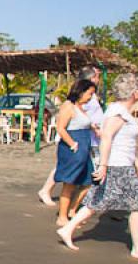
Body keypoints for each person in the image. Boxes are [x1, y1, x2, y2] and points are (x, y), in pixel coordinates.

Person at [56, 74, 138, 263]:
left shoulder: (121, 110)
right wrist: (104, 165)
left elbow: (121, 141)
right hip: (117, 166)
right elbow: (106, 138)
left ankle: (67, 229)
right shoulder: (118, 112)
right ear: (132, 91)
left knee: (97, 201)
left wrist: (135, 160)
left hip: (121, 163)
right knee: (137, 205)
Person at [38, 67, 104, 206]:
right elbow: (62, 127)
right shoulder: (77, 101)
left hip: (87, 139)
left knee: (75, 172)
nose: (99, 79)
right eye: (97, 76)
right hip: (78, 139)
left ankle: (72, 204)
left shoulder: (87, 98)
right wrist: (73, 143)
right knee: (69, 172)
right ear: (91, 79)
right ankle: (61, 200)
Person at [53, 79, 98, 227]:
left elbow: (84, 123)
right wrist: (73, 144)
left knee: (89, 181)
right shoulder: (68, 106)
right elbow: (60, 128)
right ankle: (62, 217)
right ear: (80, 91)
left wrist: (95, 128)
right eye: (89, 93)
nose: (90, 97)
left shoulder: (81, 107)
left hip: (84, 147)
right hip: (74, 148)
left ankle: (72, 211)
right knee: (69, 183)